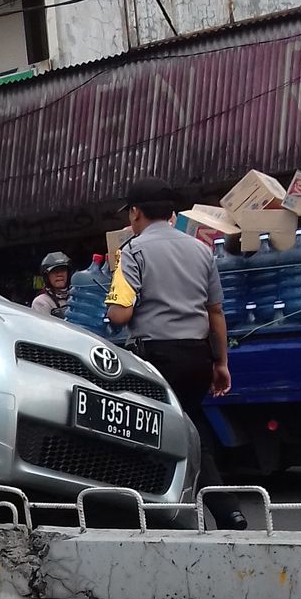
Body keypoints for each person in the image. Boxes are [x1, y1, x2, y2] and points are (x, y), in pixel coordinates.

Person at [105, 178, 247, 530]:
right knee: (192, 429)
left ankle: (149, 512)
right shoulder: (201, 250)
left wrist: (116, 303)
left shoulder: (132, 252)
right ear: (171, 213)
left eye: (131, 213)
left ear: (136, 212)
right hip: (198, 356)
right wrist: (221, 363)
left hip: (156, 359)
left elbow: (119, 314)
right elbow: (215, 312)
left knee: (147, 432)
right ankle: (228, 510)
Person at [31, 251, 71, 317]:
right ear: (47, 276)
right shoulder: (41, 302)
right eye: (55, 271)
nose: (59, 274)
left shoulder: (76, 297)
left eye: (63, 270)